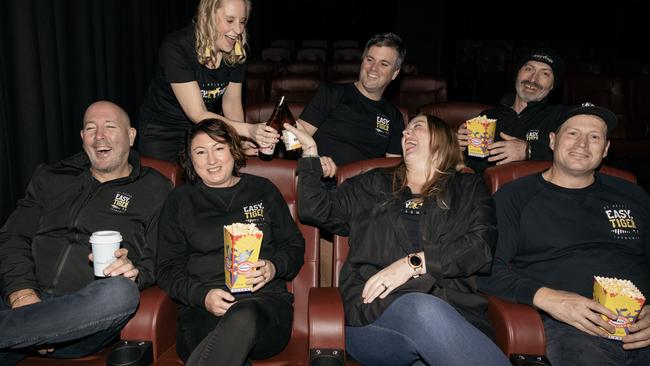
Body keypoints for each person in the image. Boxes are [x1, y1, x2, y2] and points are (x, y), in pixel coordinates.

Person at [287, 115, 510, 366]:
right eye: (404, 130)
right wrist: (309, 153)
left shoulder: (467, 187)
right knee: (421, 309)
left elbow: (481, 247)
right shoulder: (372, 182)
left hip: (453, 309)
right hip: (374, 317)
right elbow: (315, 209)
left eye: (417, 127)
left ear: (441, 138)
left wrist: (413, 264)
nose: (406, 133)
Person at [0, 101, 173, 364]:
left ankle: (27, 331)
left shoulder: (156, 189)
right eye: (91, 128)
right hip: (18, 301)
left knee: (121, 292)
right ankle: (29, 331)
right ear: (83, 139)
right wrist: (23, 295)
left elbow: (162, 257)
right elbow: (13, 237)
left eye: (110, 127)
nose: (99, 136)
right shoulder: (51, 176)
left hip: (84, 319)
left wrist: (135, 270)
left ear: (131, 136)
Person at [479, 103, 650, 366]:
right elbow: (486, 270)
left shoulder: (634, 195)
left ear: (605, 150)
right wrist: (548, 298)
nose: (582, 144)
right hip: (572, 330)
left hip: (641, 328)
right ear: (552, 140)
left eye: (594, 137)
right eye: (572, 133)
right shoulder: (515, 196)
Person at [155, 119, 305, 366]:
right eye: (200, 152)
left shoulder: (263, 190)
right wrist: (202, 296)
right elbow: (167, 267)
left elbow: (294, 245)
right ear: (190, 160)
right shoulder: (180, 201)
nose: (211, 160)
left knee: (242, 316)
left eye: (219, 148)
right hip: (202, 309)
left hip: (264, 305)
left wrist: (273, 267)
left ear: (234, 150)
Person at [138, 0, 279, 162]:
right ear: (207, 17)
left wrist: (239, 141)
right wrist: (248, 130)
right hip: (162, 132)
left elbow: (232, 106)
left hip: (204, 130)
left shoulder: (237, 50)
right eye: (230, 20)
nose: (239, 30)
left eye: (242, 22)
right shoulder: (177, 47)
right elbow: (197, 113)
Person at [295, 32, 406, 166]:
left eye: (383, 64)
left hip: (366, 185)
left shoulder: (394, 117)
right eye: (369, 60)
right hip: (321, 181)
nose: (373, 68)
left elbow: (392, 168)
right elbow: (295, 140)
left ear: (394, 73)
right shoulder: (331, 94)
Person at [458, 47, 568, 173]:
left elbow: (575, 155)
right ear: (517, 74)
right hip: (484, 190)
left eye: (545, 73)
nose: (532, 79)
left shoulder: (561, 118)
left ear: (553, 85)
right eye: (528, 69)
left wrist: (529, 150)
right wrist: (459, 149)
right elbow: (469, 166)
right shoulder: (487, 117)